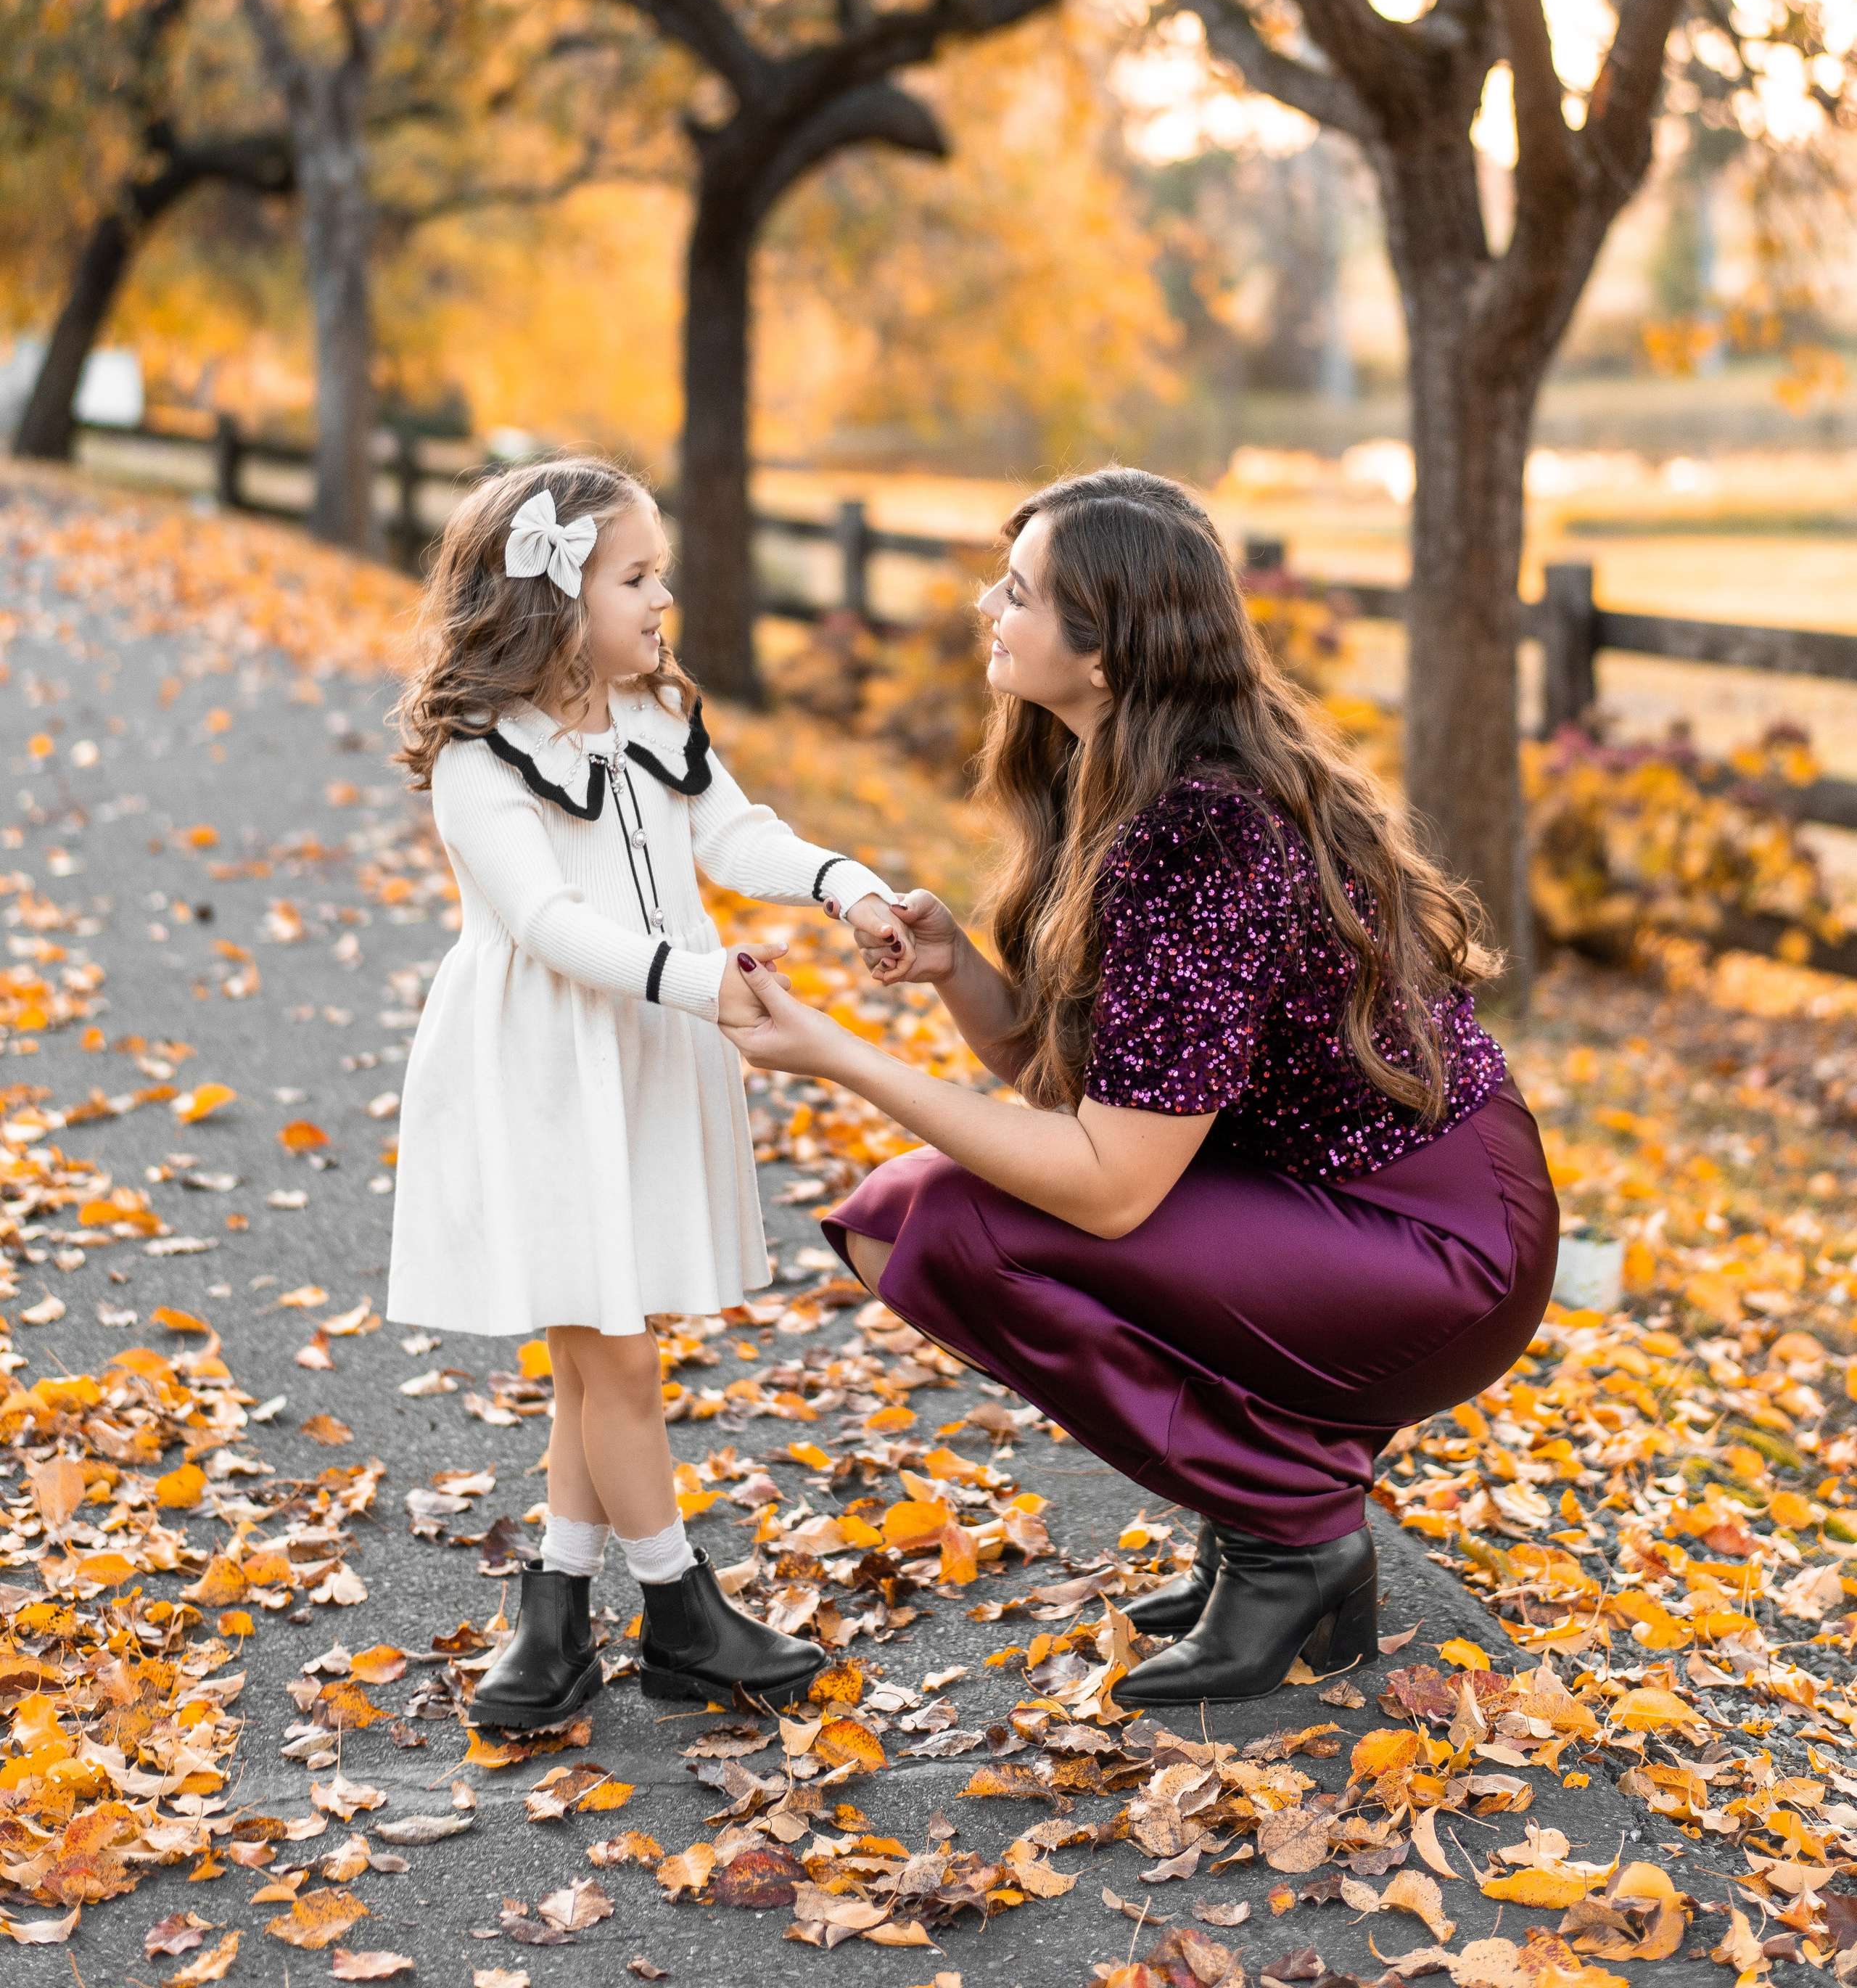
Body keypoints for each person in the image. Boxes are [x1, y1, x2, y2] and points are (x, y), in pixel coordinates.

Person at [721, 467, 1557, 1706]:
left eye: (1019, 593)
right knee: (935, 1210)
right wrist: (959, 972)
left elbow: (1111, 1186)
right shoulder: (1124, 782)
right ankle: (1267, 1533)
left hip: (1436, 1251)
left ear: (1106, 652)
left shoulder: (1205, 831)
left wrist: (844, 1054)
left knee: (936, 1218)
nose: (988, 608)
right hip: (1369, 1205)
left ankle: (1290, 1537)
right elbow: (1100, 1099)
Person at [387, 456, 913, 1726]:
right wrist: (700, 983)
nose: (663, 598)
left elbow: (731, 834)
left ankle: (556, 1618)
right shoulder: (480, 758)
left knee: (596, 1349)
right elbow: (548, 921)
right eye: (636, 577)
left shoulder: (655, 716)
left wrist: (846, 886)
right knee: (612, 1357)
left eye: (659, 573)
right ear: (553, 597)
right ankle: (681, 1615)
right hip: (544, 1069)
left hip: (642, 1053)